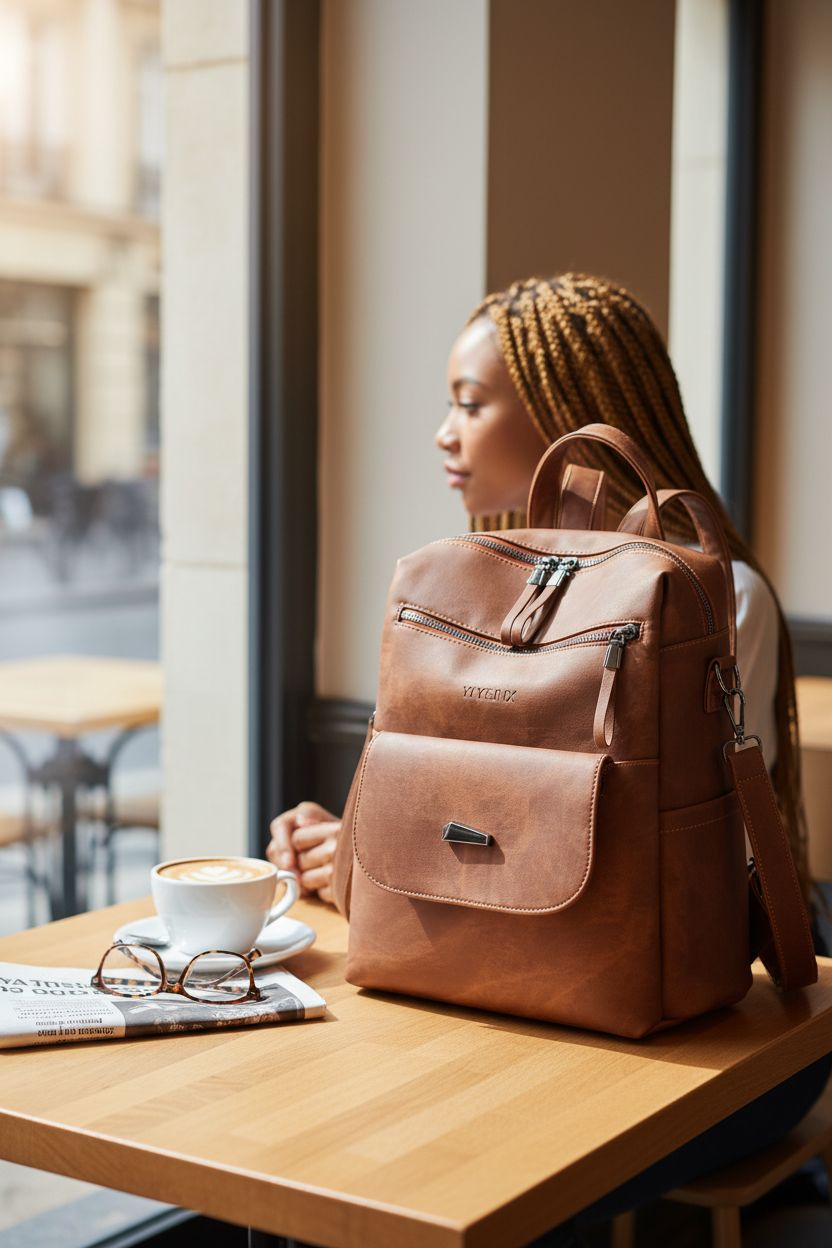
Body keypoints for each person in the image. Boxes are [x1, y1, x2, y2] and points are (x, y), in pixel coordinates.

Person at [268, 274, 830, 1241]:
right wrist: (366, 849)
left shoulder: (714, 596)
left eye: (470, 402)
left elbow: (690, 864)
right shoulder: (494, 596)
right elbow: (502, 811)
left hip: (697, 1033)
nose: (444, 432)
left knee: (464, 1176)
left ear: (567, 417)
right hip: (527, 982)